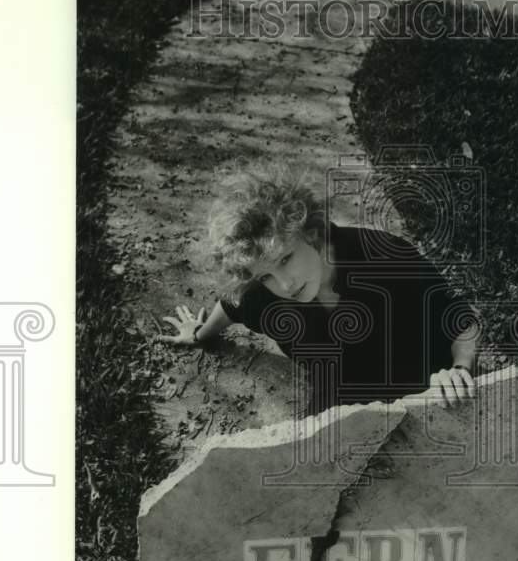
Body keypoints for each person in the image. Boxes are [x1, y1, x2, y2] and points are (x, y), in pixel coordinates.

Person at [164, 164, 480, 415]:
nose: (284, 285)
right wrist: (199, 335)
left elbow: (460, 320)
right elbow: (233, 307)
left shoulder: (385, 254)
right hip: (343, 402)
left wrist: (458, 369)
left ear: (311, 233)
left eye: (286, 259)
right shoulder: (262, 295)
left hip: (427, 388)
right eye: (265, 276)